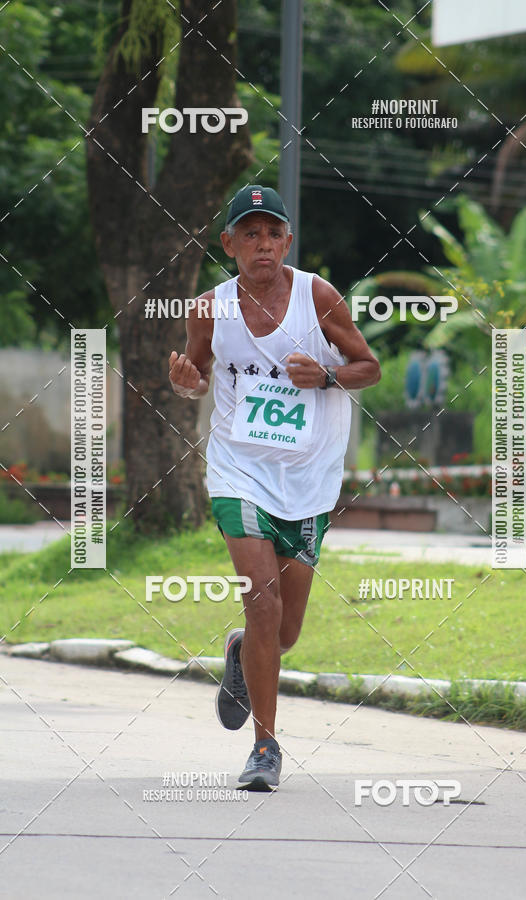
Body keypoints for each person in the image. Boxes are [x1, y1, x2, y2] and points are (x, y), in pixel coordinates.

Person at [169, 184, 380, 789]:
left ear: (288, 240)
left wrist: (330, 375)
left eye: (273, 232)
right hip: (239, 470)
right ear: (228, 243)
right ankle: (266, 747)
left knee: (284, 630)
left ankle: (241, 652)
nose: (263, 244)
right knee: (261, 603)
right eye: (250, 233)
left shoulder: (319, 297)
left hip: (309, 477)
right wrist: (184, 380)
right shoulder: (209, 307)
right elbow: (196, 375)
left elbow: (369, 366)